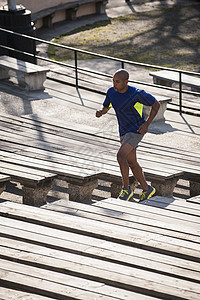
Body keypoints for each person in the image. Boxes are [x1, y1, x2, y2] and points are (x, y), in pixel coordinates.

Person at [96, 69, 160, 201]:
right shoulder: (111, 92)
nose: (115, 84)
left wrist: (147, 124)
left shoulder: (137, 94)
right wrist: (102, 111)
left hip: (136, 130)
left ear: (126, 82)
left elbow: (156, 104)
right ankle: (147, 189)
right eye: (113, 81)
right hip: (123, 131)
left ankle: (126, 189)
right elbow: (107, 105)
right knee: (132, 162)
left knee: (120, 155)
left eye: (118, 82)